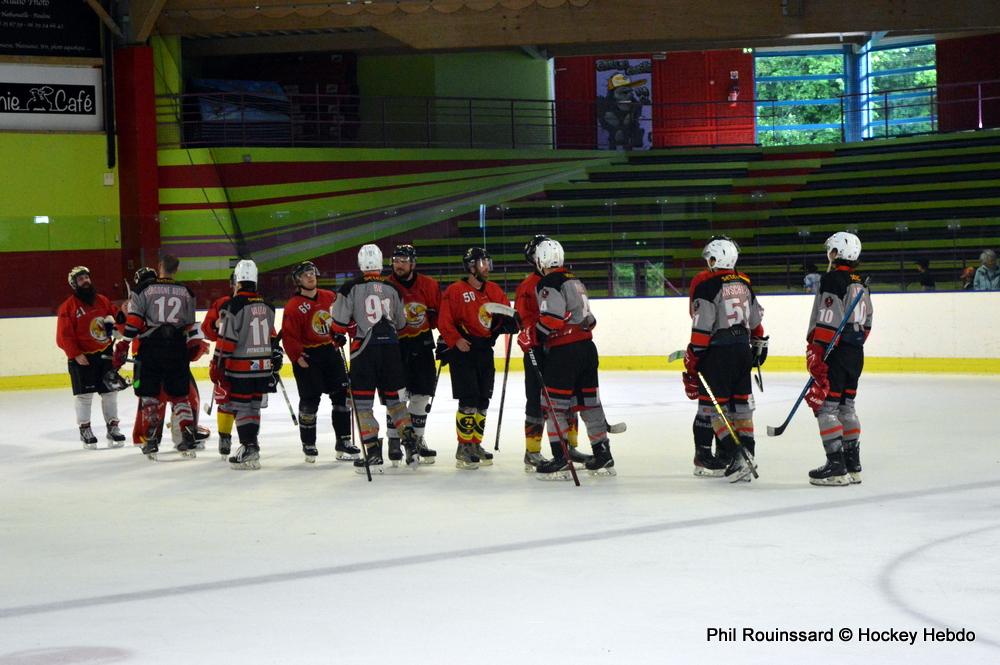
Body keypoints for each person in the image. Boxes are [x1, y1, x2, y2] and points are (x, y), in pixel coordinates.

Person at [681, 236, 766, 483]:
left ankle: (736, 455)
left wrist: (693, 356)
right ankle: (747, 452)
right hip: (742, 350)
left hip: (717, 353)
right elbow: (756, 323)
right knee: (742, 407)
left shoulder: (707, 284)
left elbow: (702, 327)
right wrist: (758, 343)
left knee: (714, 409)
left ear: (715, 258)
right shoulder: (744, 283)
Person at [331, 244, 421, 473]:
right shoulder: (393, 288)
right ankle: (410, 445)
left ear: (361, 263)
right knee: (396, 402)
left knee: (362, 404)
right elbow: (401, 324)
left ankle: (372, 452)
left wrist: (339, 334)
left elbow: (338, 324)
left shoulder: (350, 287)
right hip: (391, 350)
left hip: (364, 352)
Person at [532, 239, 616, 479]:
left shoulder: (549, 282)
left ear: (541, 260)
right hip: (586, 348)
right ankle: (603, 454)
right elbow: (589, 319)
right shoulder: (575, 280)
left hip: (564, 351)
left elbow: (552, 318)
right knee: (589, 403)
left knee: (553, 405)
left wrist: (532, 335)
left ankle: (561, 458)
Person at [515, 234, 589, 472]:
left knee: (565, 399)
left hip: (559, 348)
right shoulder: (527, 286)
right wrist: (531, 333)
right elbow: (524, 317)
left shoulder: (561, 280)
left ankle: (569, 446)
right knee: (537, 400)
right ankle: (533, 451)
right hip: (537, 347)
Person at [803, 231, 873, 486]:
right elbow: (867, 323)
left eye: (830, 251)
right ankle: (852, 465)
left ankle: (836, 466)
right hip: (855, 352)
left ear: (836, 253)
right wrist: (853, 345)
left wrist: (818, 351)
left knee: (826, 407)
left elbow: (829, 320)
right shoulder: (861, 282)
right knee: (847, 406)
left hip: (835, 351)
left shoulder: (833, 279)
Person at [437, 247, 516, 470]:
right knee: (468, 399)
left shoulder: (494, 290)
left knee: (483, 400)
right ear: (471, 267)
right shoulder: (454, 290)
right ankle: (463, 446)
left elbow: (505, 316)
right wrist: (455, 340)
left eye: (488, 263)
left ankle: (475, 443)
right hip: (463, 351)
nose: (487, 268)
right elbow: (444, 321)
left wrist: (509, 324)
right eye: (482, 264)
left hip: (484, 351)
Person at [281, 260, 359, 463]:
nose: (310, 276)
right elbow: (289, 336)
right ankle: (309, 443)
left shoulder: (329, 296)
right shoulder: (293, 306)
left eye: (312, 272)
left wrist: (341, 334)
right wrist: (297, 356)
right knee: (310, 400)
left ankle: (343, 440)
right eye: (305, 274)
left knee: (342, 396)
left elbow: (343, 319)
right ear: (297, 280)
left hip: (330, 352)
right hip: (308, 356)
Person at [124, 254, 200, 461]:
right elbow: (189, 325)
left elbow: (133, 324)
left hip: (151, 347)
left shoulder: (143, 290)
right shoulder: (187, 292)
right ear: (177, 269)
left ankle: (150, 439)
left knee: (150, 395)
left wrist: (122, 345)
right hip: (177, 347)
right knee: (180, 396)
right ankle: (188, 433)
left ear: (159, 267)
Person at [212, 259, 280, 470]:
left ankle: (248, 447)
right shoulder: (268, 305)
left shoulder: (234, 305)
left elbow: (227, 341)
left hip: (241, 368)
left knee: (241, 407)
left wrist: (217, 364)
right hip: (262, 367)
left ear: (238, 282)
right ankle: (252, 444)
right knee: (253, 406)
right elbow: (270, 336)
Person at [56, 266, 127, 449]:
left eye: (87, 277)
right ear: (74, 284)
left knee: (110, 393)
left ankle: (113, 427)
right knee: (84, 396)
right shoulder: (68, 307)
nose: (86, 281)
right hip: (83, 359)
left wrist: (123, 315)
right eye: (81, 279)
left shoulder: (102, 300)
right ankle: (85, 429)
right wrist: (75, 354)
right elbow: (63, 336)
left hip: (105, 355)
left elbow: (115, 318)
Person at [386, 244, 440, 464]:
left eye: (404, 260)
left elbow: (438, 317)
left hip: (422, 345)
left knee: (421, 396)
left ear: (413, 263)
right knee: (396, 397)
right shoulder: (385, 286)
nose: (399, 265)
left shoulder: (429, 285)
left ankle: (416, 440)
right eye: (396, 260)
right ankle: (393, 440)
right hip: (394, 348)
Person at [202, 272, 238, 458]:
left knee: (248, 402)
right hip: (225, 360)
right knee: (225, 400)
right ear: (232, 284)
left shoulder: (256, 303)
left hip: (247, 360)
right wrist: (215, 324)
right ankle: (225, 437)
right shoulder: (222, 304)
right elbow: (207, 331)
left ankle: (249, 440)